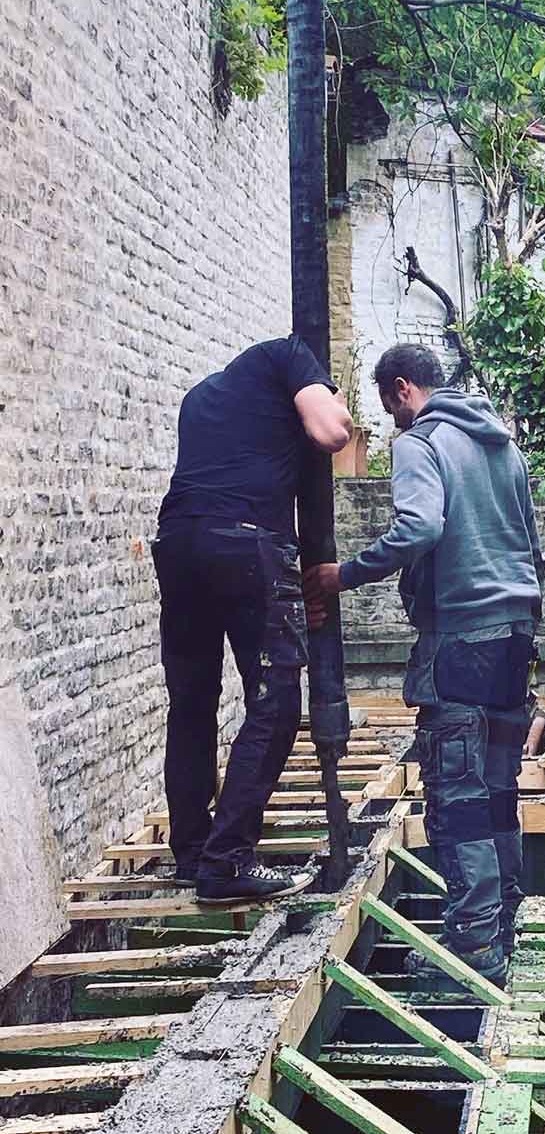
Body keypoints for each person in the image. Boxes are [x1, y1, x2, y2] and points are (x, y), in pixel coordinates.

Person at [303, 343, 544, 988]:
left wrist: (341, 575)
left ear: (403, 389)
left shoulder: (422, 443)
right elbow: (532, 544)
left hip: (460, 639)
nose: (392, 424)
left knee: (456, 793)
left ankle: (471, 949)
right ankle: (501, 921)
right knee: (496, 787)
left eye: (389, 408)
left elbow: (417, 529)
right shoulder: (501, 443)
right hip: (514, 637)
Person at [153, 337, 352, 904]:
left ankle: (192, 854)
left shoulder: (201, 398)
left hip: (179, 544)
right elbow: (330, 433)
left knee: (191, 703)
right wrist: (337, 409)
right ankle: (227, 860)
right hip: (244, 544)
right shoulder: (288, 356)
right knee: (277, 699)